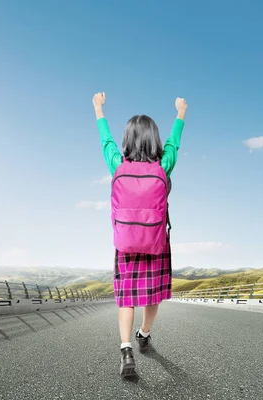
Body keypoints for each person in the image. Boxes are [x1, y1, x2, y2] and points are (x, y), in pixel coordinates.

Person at [92, 92, 187, 377]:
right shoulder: (162, 166)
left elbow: (105, 142)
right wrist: (180, 113)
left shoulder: (117, 166)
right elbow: (174, 144)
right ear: (154, 139)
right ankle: (144, 334)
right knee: (152, 293)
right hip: (156, 241)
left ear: (127, 140)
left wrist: (99, 109)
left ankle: (126, 350)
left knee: (127, 298)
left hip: (126, 244)